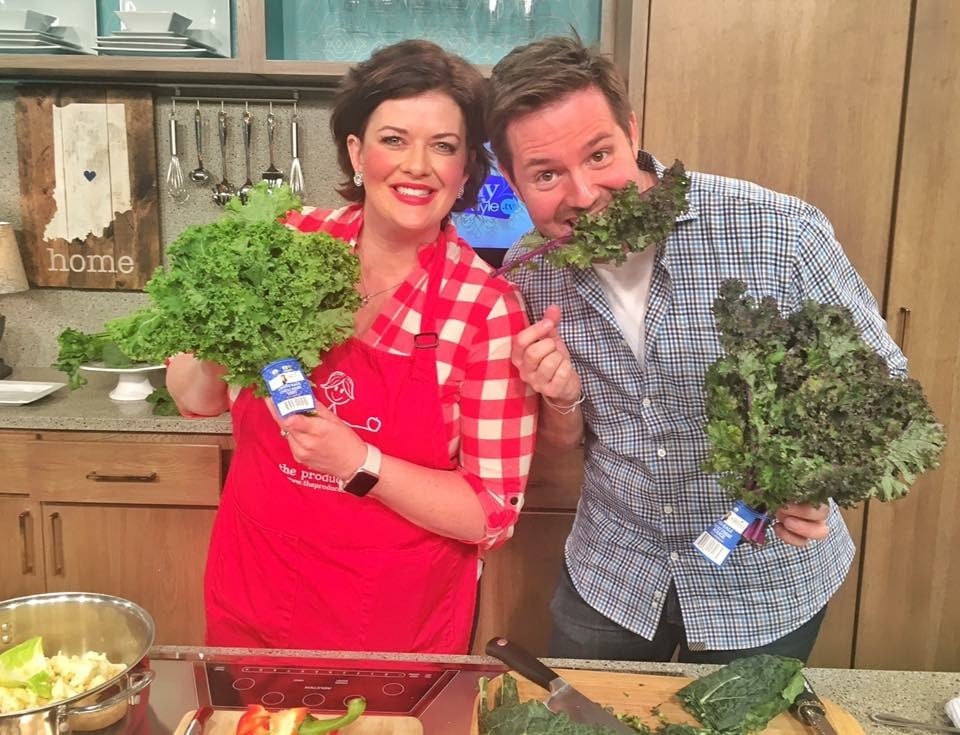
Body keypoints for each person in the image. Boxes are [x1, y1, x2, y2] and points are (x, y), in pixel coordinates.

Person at [487, 35, 907, 664]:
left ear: (631, 131)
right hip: (615, 570)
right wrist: (565, 400)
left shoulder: (776, 231)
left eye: (600, 154)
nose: (581, 194)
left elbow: (881, 389)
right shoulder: (530, 272)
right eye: (546, 174)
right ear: (513, 180)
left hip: (765, 578)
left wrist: (820, 483)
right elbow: (563, 443)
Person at [166, 40, 537, 654]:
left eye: (443, 146)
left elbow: (490, 512)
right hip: (255, 593)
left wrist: (359, 463)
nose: (417, 165)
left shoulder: (485, 308)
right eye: (394, 139)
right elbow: (196, 399)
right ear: (356, 151)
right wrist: (218, 341)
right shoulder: (287, 242)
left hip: (391, 621)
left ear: (466, 168)